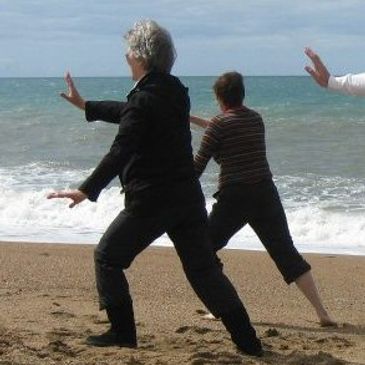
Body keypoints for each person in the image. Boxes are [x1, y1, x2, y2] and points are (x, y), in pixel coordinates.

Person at [47, 20, 263, 356]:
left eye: (129, 52)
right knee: (204, 271)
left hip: (151, 200)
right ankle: (248, 342)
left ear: (140, 56)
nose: (125, 57)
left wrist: (86, 190)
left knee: (107, 257)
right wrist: (87, 106)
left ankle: (122, 332)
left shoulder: (145, 99)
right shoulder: (174, 92)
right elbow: (130, 112)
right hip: (186, 198)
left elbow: (121, 149)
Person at [190, 71, 336, 327]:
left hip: (234, 197)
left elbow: (197, 167)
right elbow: (225, 125)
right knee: (286, 254)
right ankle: (322, 313)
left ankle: (221, 306)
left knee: (203, 249)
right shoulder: (255, 119)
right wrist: (193, 120)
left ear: (218, 98)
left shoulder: (218, 126)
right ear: (241, 95)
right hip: (265, 194)